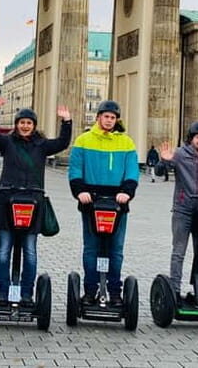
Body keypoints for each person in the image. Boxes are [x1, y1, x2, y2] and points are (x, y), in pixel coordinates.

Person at [0, 97, 72, 305]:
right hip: (7, 200)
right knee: (4, 249)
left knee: (30, 250)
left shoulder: (41, 145)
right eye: (22, 122)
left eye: (29, 123)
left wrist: (66, 122)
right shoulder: (7, 142)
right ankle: (2, 291)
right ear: (16, 124)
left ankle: (27, 293)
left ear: (34, 126)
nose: (25, 126)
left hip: (33, 201)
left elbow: (62, 143)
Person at [68, 100, 139, 307]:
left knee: (115, 249)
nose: (109, 120)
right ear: (98, 117)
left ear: (117, 120)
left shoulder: (126, 142)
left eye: (113, 117)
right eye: (106, 116)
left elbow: (132, 172)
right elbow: (75, 169)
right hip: (91, 201)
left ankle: (115, 292)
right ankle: (90, 290)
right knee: (91, 248)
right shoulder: (83, 140)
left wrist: (127, 192)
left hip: (118, 203)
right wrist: (80, 191)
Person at [158, 121, 198, 307]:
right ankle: (175, 292)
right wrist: (165, 160)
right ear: (191, 139)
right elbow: (161, 171)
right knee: (179, 252)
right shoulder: (179, 155)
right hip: (183, 209)